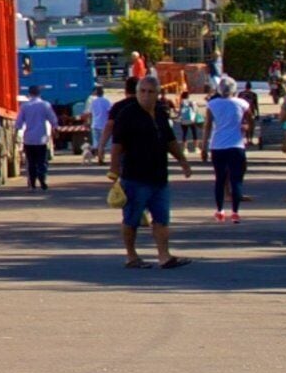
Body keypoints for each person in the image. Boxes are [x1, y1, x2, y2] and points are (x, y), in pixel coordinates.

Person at [107, 76, 184, 271]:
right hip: (134, 177)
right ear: (137, 92)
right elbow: (117, 145)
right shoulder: (127, 114)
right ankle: (131, 256)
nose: (146, 95)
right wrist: (114, 171)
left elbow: (170, 141)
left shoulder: (160, 113)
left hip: (159, 177)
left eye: (151, 92)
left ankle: (164, 256)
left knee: (162, 219)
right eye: (142, 91)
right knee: (131, 219)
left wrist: (183, 162)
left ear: (157, 94)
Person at [203, 78, 251, 224]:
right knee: (236, 179)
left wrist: (204, 146)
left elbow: (207, 126)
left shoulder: (212, 104)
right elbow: (249, 121)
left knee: (220, 179)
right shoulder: (242, 103)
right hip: (236, 145)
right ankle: (235, 212)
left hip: (218, 146)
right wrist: (247, 132)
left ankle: (220, 211)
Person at [14, 84, 56, 192]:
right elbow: (52, 119)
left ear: (29, 93)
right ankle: (42, 180)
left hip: (29, 139)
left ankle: (32, 183)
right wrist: (55, 128)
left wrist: (15, 134)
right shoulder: (45, 105)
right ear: (39, 93)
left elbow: (19, 123)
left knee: (31, 162)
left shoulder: (24, 106)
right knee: (42, 161)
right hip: (41, 138)